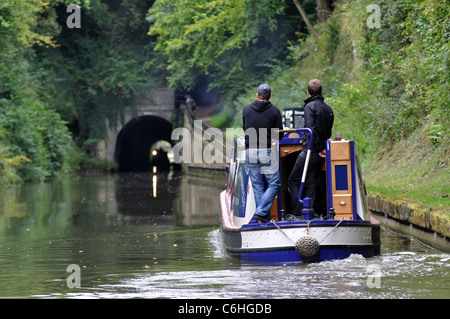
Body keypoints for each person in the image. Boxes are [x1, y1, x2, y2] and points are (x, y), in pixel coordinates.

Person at [287, 79, 334, 216]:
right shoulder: (328, 108)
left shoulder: (309, 107)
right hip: (320, 151)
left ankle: (296, 213)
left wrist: (319, 148)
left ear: (308, 92)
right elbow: (328, 132)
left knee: (293, 179)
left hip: (311, 151)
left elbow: (310, 129)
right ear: (320, 91)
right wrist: (323, 148)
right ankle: (309, 210)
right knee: (310, 179)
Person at [242, 83, 283, 223]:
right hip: (265, 151)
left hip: (249, 151)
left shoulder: (246, 110)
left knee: (257, 185)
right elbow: (279, 135)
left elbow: (244, 128)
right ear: (270, 96)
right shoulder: (275, 111)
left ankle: (264, 218)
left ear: (257, 95)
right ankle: (261, 212)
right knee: (275, 183)